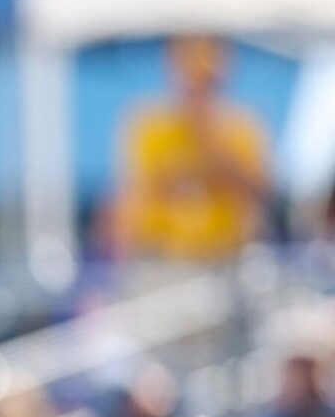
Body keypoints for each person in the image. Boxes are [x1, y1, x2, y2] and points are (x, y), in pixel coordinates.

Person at [111, 36, 271, 262]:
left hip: (225, 255)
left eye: (206, 81)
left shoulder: (242, 127)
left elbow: (258, 191)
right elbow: (137, 193)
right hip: (161, 258)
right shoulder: (149, 125)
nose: (198, 89)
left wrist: (211, 140)